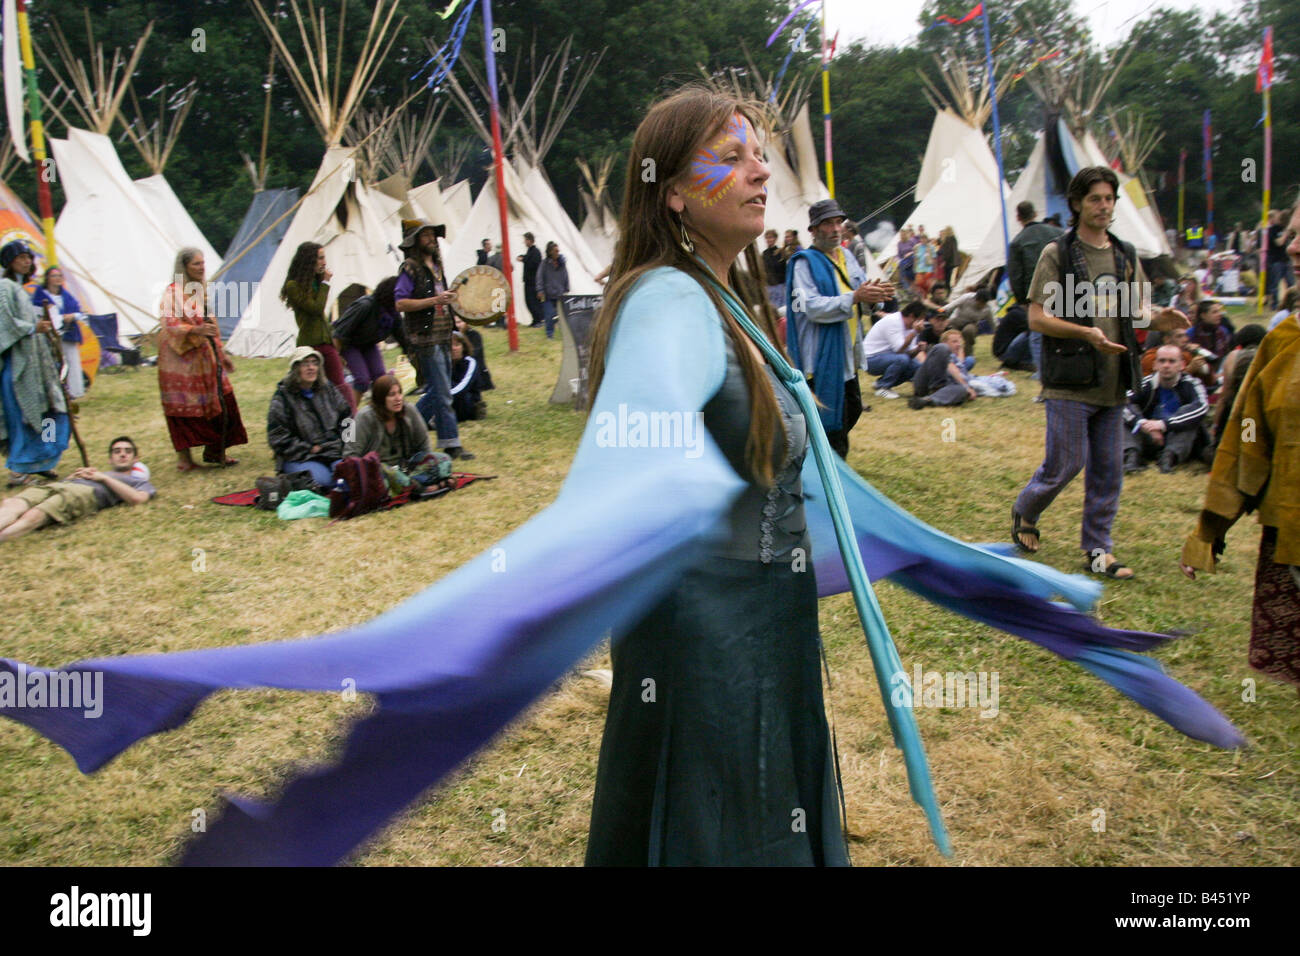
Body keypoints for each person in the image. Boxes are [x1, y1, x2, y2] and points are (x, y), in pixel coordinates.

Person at [0, 87, 1249, 868]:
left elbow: (812, 486)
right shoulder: (662, 299)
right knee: (723, 814)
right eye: (728, 156)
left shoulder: (729, 292)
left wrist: (982, 576)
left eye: (761, 150)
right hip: (704, 632)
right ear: (671, 187)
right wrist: (643, 503)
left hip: (747, 620)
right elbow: (648, 427)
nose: (758, 169)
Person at [1010, 166, 1188, 580]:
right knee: (1066, 463)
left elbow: (1136, 308)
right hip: (1069, 378)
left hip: (1114, 379)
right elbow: (1037, 318)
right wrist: (1086, 333)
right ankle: (1028, 507)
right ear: (1076, 204)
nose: (1104, 206)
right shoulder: (1057, 253)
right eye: (1095, 199)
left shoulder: (1124, 253)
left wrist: (1161, 320)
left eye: (1109, 198)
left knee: (1108, 471)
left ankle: (1097, 550)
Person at [1182, 211, 1300, 689]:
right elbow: (1248, 440)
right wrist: (1210, 528)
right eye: (1292, 235)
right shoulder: (1283, 342)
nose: (1291, 248)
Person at [787, 199, 893, 453]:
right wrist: (855, 297)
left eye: (838, 222)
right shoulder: (804, 263)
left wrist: (874, 294)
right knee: (832, 428)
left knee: (851, 411)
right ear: (813, 230)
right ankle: (829, 476)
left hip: (846, 355)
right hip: (822, 360)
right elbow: (811, 307)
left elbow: (860, 287)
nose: (836, 229)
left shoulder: (846, 255)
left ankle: (820, 462)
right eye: (827, 224)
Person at [158, 248, 248, 471]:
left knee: (222, 399)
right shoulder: (173, 292)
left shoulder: (199, 292)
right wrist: (195, 330)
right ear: (185, 266)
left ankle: (216, 451)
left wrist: (221, 352)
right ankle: (185, 460)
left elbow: (210, 325)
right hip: (180, 361)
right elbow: (170, 324)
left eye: (202, 263)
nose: (201, 267)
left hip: (206, 357)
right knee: (182, 408)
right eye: (196, 264)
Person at [394, 221, 473, 460]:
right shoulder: (410, 268)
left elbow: (442, 299)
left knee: (440, 391)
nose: (430, 239)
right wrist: (435, 300)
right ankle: (451, 443)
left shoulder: (437, 266)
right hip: (425, 338)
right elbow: (400, 303)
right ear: (415, 241)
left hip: (442, 334)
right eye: (425, 235)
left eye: (432, 234)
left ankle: (403, 427)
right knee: (442, 392)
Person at [1, 241, 69, 485]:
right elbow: (4, 324)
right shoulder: (4, 287)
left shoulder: (23, 288)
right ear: (9, 261)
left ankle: (43, 460)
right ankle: (19, 469)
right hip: (18, 368)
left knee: (48, 413)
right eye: (20, 257)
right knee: (23, 417)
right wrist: (33, 327)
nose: (26, 261)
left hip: (37, 367)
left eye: (28, 257)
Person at [0, 435, 154, 541]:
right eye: (117, 451)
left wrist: (104, 479)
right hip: (59, 486)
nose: (122, 455)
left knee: (34, 515)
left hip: (83, 495)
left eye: (128, 451)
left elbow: (137, 499)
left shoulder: (137, 481)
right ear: (110, 459)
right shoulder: (98, 472)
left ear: (136, 459)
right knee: (13, 505)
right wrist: (73, 477)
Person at [266, 347, 352, 488]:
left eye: (314, 363)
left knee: (350, 475)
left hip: (334, 451)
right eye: (305, 364)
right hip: (301, 457)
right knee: (322, 482)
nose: (311, 368)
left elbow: (348, 418)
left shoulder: (328, 389)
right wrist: (309, 448)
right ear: (295, 368)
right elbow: (277, 438)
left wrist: (349, 445)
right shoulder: (282, 398)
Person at [280, 242, 351, 411]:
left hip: (325, 341)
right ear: (309, 260)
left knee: (339, 385)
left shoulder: (315, 283)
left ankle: (349, 424)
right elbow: (315, 308)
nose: (324, 262)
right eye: (320, 258)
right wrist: (325, 284)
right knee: (313, 388)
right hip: (310, 344)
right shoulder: (294, 286)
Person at [1122, 345, 1210, 474]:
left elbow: (1202, 407)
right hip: (1147, 436)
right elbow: (1123, 403)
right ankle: (1131, 458)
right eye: (1162, 361)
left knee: (1190, 417)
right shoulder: (1144, 384)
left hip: (1176, 438)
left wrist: (1164, 425)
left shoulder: (1192, 384)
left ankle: (1168, 460)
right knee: (1124, 417)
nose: (1166, 366)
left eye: (1172, 361)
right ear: (1155, 365)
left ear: (1182, 365)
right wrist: (1142, 423)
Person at [343, 374, 432, 467]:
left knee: (442, 459)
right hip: (377, 470)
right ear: (380, 398)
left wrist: (430, 467)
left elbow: (424, 444)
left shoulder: (409, 410)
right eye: (392, 395)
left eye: (399, 393)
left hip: (407, 465)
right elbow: (350, 454)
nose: (398, 399)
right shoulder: (364, 417)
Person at [334, 276, 398, 405]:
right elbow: (339, 333)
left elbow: (403, 337)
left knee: (381, 380)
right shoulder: (365, 305)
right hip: (348, 343)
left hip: (368, 344)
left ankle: (377, 414)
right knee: (362, 380)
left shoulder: (392, 312)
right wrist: (337, 359)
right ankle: (350, 417)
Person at [31, 267, 87, 400]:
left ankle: (74, 392)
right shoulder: (40, 295)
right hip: (49, 334)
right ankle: (55, 394)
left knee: (72, 361)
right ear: (47, 279)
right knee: (52, 363)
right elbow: (35, 311)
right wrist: (59, 317)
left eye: (59, 276)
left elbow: (80, 312)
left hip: (68, 332)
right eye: (54, 276)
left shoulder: (66, 296)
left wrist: (72, 316)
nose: (57, 278)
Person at [861, 300, 925, 399]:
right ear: (912, 316)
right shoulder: (894, 321)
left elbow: (909, 354)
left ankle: (880, 383)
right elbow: (899, 349)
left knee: (916, 366)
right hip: (870, 359)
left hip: (889, 358)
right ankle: (882, 388)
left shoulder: (911, 328)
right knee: (902, 359)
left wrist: (918, 349)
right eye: (920, 319)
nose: (922, 323)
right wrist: (914, 333)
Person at [909, 328, 977, 409]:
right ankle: (936, 390)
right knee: (942, 348)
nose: (958, 344)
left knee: (961, 390)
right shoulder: (939, 351)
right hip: (925, 383)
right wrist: (966, 386)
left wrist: (968, 389)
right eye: (954, 341)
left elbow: (960, 367)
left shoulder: (958, 363)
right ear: (945, 342)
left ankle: (927, 400)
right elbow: (950, 366)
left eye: (960, 342)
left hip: (943, 388)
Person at [941, 287, 992, 357]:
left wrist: (998, 332)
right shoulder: (966, 298)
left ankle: (967, 354)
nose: (982, 305)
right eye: (981, 302)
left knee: (968, 331)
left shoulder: (987, 308)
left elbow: (993, 322)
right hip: (955, 321)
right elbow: (950, 306)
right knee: (950, 335)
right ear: (976, 300)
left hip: (971, 325)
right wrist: (939, 311)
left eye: (984, 303)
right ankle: (948, 354)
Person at [536, 241, 569, 340]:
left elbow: (565, 276)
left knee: (560, 315)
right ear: (550, 252)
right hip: (548, 294)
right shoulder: (544, 264)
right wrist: (540, 290)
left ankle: (563, 334)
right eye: (555, 251)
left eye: (558, 251)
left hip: (559, 293)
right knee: (549, 314)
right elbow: (540, 277)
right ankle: (549, 334)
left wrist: (566, 288)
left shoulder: (561, 264)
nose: (558, 252)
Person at [449, 331, 485, 422]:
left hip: (466, 401)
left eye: (457, 345)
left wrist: (443, 395)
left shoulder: (470, 362)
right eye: (450, 345)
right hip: (449, 398)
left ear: (463, 347)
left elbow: (463, 388)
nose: (453, 348)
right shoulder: (444, 364)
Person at [516, 232, 544, 327]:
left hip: (533, 282)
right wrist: (523, 258)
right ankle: (535, 319)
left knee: (534, 302)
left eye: (525, 240)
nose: (524, 242)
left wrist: (524, 259)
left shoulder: (536, 252)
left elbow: (534, 263)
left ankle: (539, 319)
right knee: (529, 301)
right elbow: (528, 259)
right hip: (528, 281)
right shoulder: (530, 251)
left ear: (529, 240)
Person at [760, 228, 785, 309]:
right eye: (767, 238)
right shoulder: (764, 254)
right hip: (768, 286)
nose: (769, 240)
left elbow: (784, 269)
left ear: (775, 238)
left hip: (780, 286)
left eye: (771, 237)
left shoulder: (780, 252)